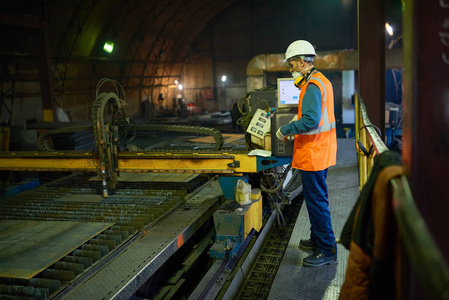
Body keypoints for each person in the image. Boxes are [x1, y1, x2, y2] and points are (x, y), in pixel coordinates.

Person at [276, 40, 338, 267]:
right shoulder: (322, 81)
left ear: (302, 62)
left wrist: (287, 128)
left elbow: (311, 120)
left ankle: (327, 250)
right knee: (315, 200)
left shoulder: (312, 85)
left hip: (314, 153)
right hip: (323, 150)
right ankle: (317, 240)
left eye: (291, 64)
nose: (290, 69)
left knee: (317, 202)